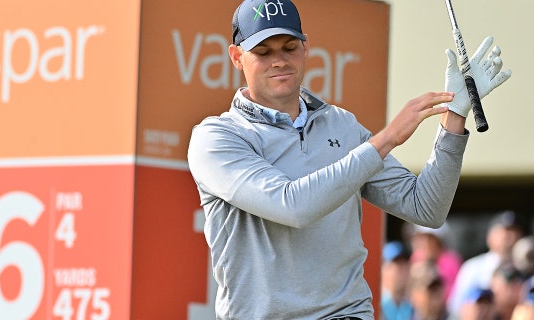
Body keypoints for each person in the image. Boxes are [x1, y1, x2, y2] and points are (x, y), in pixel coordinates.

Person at [186, 0, 511, 318]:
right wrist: (386, 138)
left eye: (289, 47)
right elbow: (293, 206)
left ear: (306, 47)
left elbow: (426, 207)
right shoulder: (216, 137)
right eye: (263, 52)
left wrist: (455, 116)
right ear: (236, 57)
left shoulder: (341, 124)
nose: (279, 61)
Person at [449, 210, 526, 316]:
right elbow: (455, 307)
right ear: (489, 237)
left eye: (513, 231)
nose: (507, 237)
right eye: (502, 231)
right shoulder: (473, 267)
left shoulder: (527, 267)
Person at [410, 223, 462, 301]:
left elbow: (454, 294)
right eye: (422, 238)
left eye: (430, 238)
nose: (425, 242)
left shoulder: (451, 261)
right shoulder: (416, 259)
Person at [381, 241, 414, 320]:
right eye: (398, 265)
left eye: (405, 265)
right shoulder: (373, 304)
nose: (403, 271)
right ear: (384, 269)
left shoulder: (415, 305)